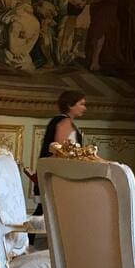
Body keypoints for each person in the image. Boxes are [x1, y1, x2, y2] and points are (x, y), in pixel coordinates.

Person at [30, 90, 87, 239]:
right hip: (59, 174)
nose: (84, 108)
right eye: (81, 104)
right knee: (46, 209)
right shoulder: (64, 122)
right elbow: (60, 151)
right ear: (70, 105)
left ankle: (30, 240)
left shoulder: (59, 121)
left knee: (43, 209)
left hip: (55, 173)